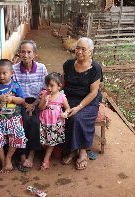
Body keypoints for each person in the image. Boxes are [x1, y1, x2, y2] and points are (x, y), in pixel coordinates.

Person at [61, 37, 103, 170]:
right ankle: (72, 149)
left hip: (88, 101)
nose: (79, 51)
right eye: (77, 48)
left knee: (77, 118)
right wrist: (53, 93)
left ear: (90, 51)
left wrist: (79, 107)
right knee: (58, 114)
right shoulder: (68, 64)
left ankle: (83, 150)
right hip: (69, 98)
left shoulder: (95, 68)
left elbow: (93, 93)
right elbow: (62, 83)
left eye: (83, 49)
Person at [12, 40, 48, 172]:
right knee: (22, 120)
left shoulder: (42, 68)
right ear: (19, 53)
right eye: (22, 51)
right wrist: (25, 104)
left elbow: (45, 90)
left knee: (36, 121)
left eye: (29, 52)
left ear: (35, 54)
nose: (25, 55)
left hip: (37, 102)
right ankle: (21, 153)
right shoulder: (14, 69)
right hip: (20, 101)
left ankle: (32, 153)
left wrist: (33, 105)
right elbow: (13, 90)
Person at [0, 59, 27, 173]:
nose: (1, 76)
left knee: (17, 134)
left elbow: (22, 100)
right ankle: (3, 160)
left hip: (13, 117)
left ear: (12, 73)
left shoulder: (15, 85)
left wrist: (13, 98)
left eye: (4, 73)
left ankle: (9, 157)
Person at [38, 72, 70, 170]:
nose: (49, 88)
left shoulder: (61, 97)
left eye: (52, 85)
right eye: (47, 85)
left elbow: (68, 109)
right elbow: (40, 108)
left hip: (55, 123)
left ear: (59, 86)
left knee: (51, 141)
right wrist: (44, 101)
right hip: (44, 122)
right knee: (43, 141)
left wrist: (65, 113)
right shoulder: (44, 94)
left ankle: (46, 160)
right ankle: (52, 150)